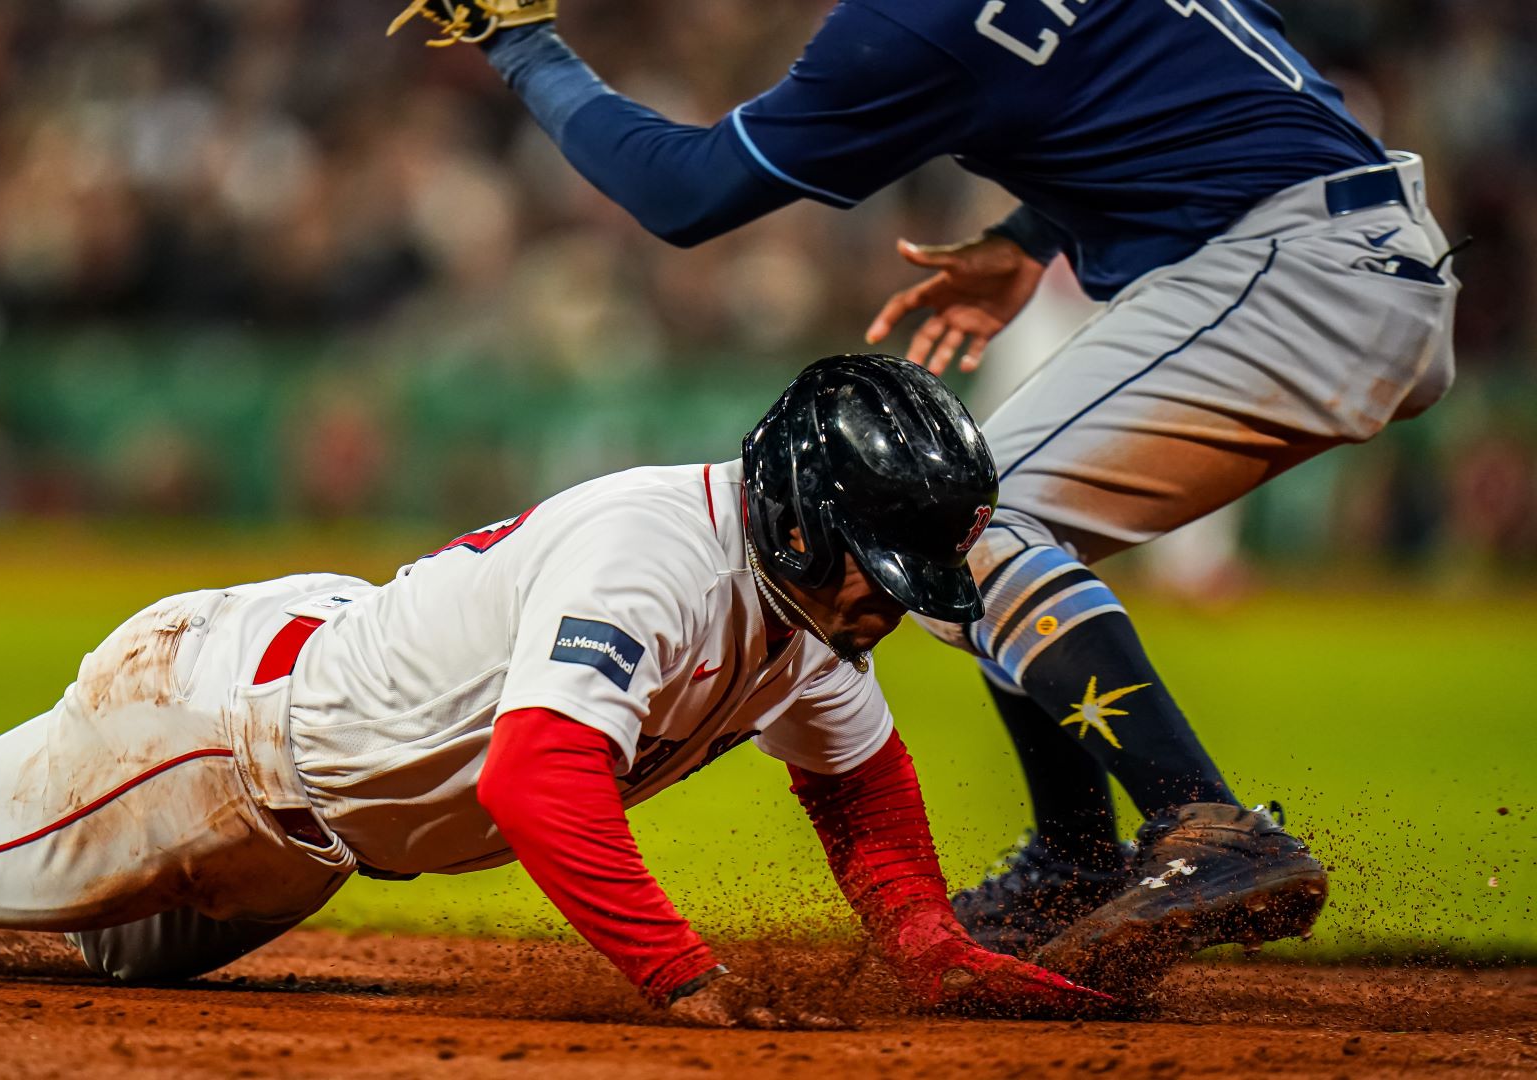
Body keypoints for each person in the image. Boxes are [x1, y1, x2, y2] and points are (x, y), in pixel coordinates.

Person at [386, 0, 1444, 993]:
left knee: (972, 526)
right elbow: (1208, 95)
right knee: (984, 525)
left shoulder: (909, 23)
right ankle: (1076, 860)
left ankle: (1202, 821)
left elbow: (687, 193)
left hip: (1295, 268)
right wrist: (1032, 234)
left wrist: (519, 40)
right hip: (1358, 244)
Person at [0, 356, 1108, 1027]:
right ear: (794, 515)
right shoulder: (655, 559)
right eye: (871, 566)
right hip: (216, 743)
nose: (884, 602)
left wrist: (929, 947)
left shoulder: (803, 610)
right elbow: (538, 782)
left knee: (115, 956)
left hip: (311, 809)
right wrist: (685, 975)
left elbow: (859, 780)